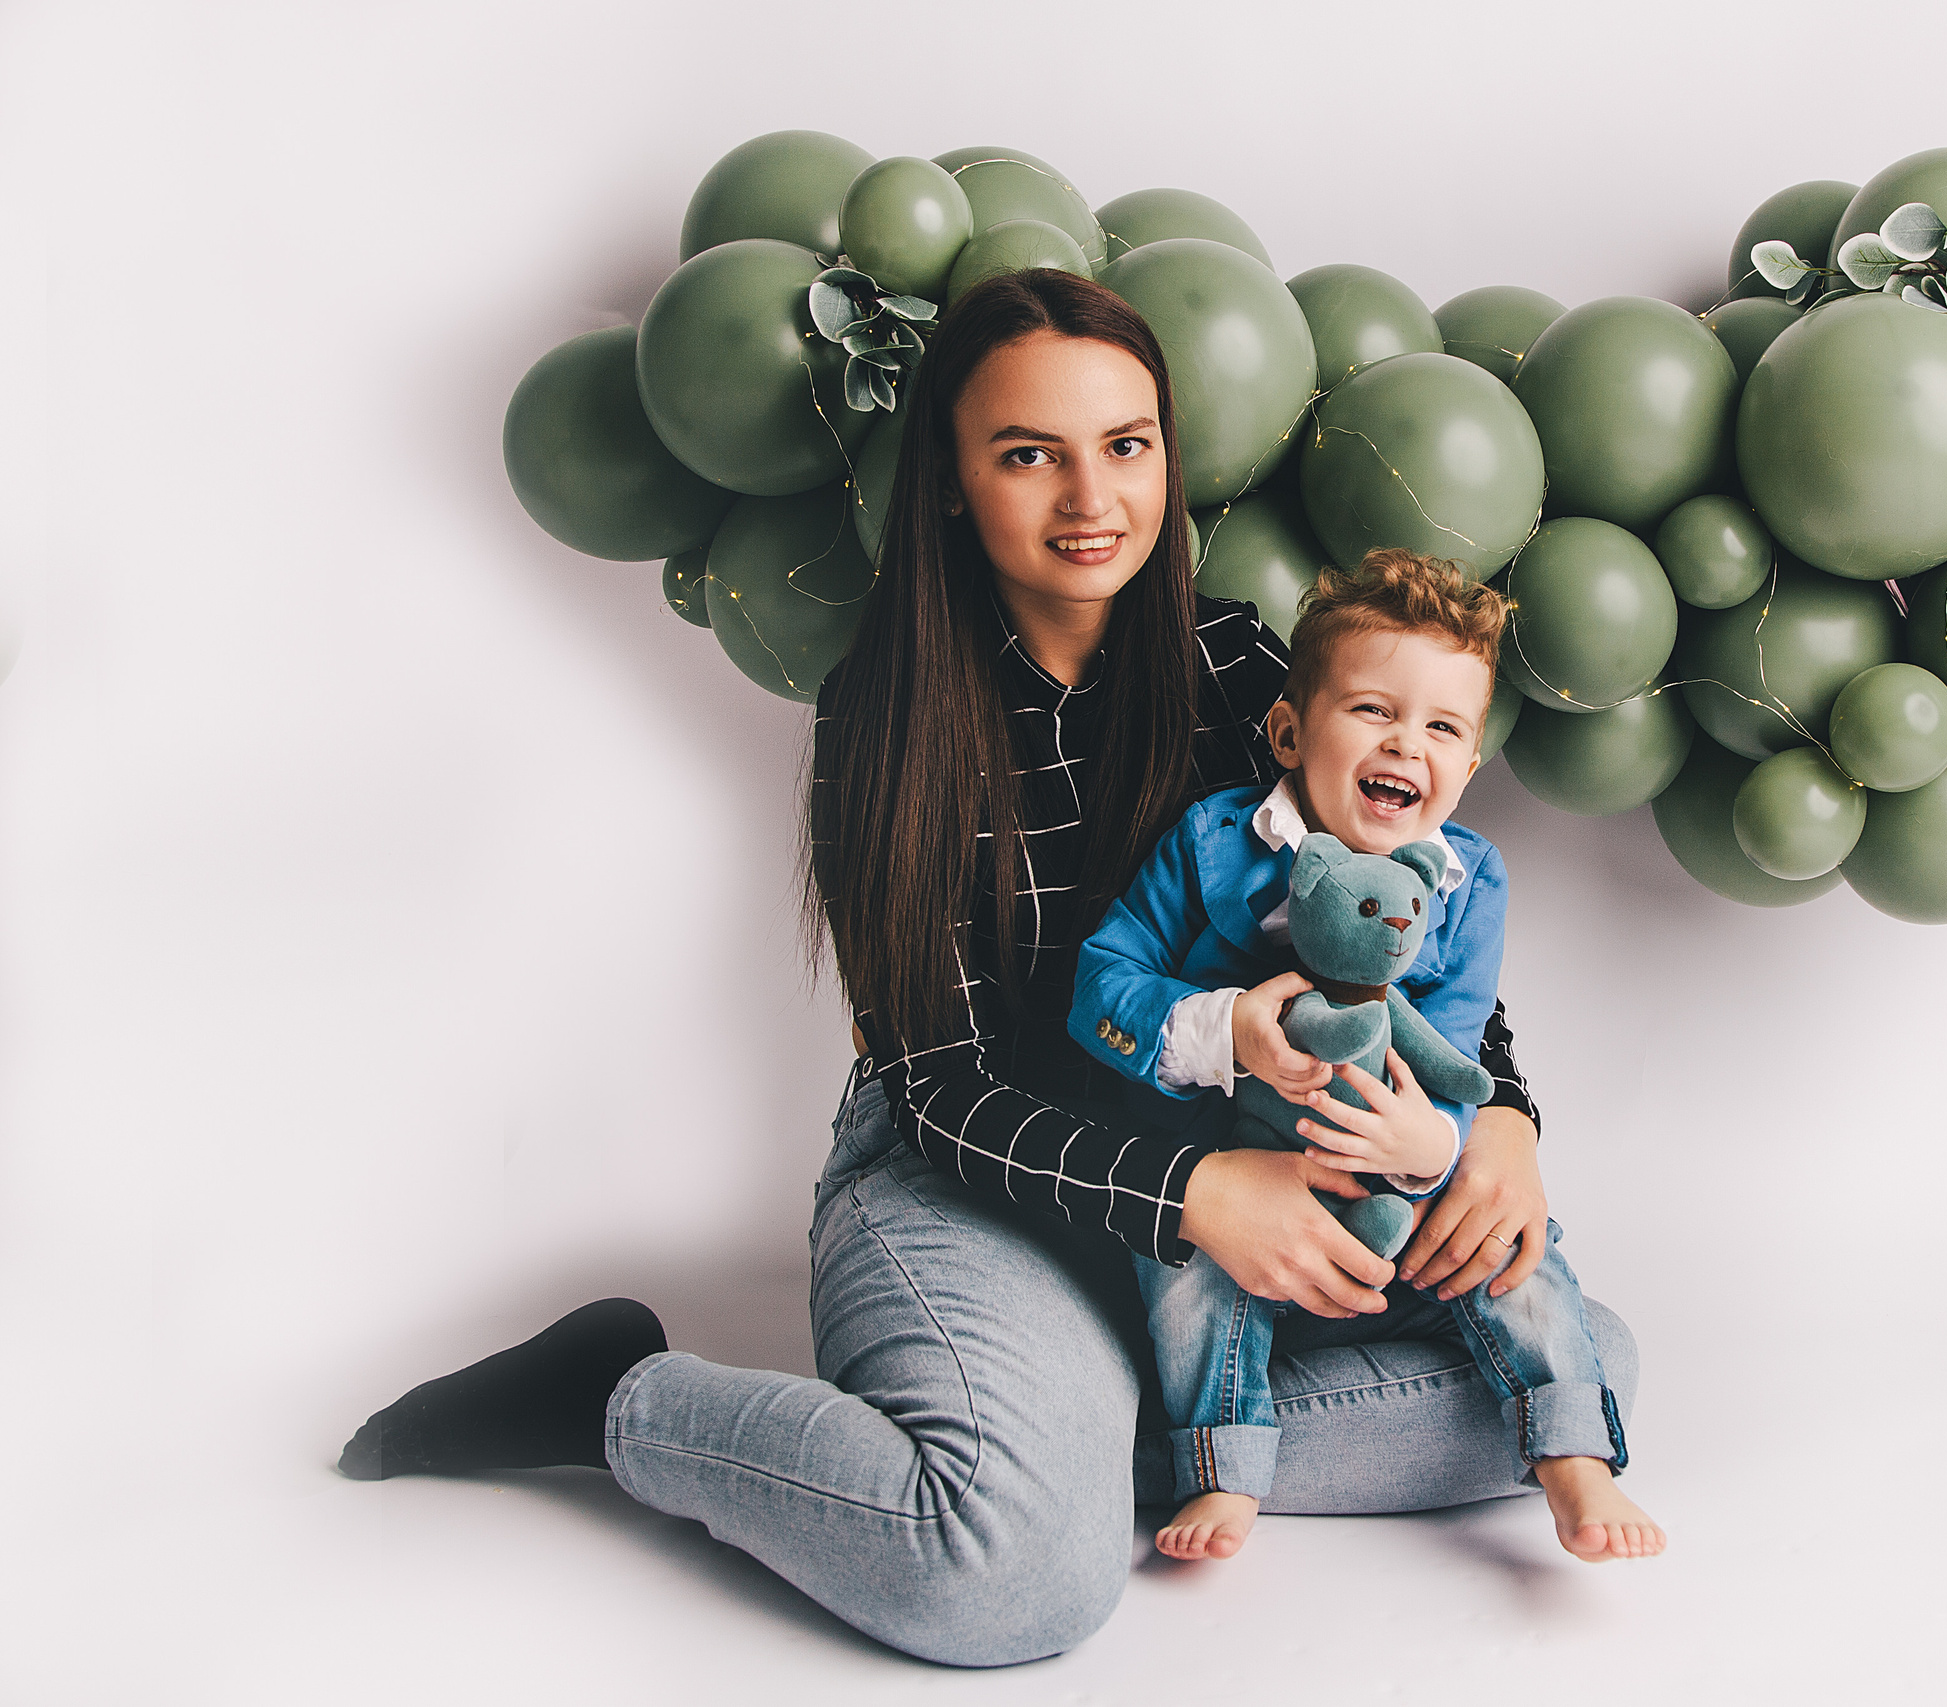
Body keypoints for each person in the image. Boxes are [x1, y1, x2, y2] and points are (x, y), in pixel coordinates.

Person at [334, 269, 1636, 1667]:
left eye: (1126, 446)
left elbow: (1395, 918)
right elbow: (945, 1083)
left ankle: (1088, 1436)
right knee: (1004, 1576)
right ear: (953, 480)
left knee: (1592, 1367)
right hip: (969, 1170)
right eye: (1031, 453)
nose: (1092, 498)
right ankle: (621, 1396)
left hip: (1219, 1166)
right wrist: (1195, 1193)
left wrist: (1498, 1116)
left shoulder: (1237, 666)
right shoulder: (884, 712)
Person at [1071, 550, 1667, 1565]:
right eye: (1373, 712)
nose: (1407, 743)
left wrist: (1430, 1143)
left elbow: (1461, 1039)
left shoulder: (1470, 883)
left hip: (1386, 1203)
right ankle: (1221, 1458)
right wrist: (1225, 1027)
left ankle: (1570, 1453)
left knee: (1524, 1260)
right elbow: (1100, 988)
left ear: (1469, 766)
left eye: (1442, 728)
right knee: (1180, 1274)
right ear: (1290, 731)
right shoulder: (1209, 843)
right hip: (1236, 1182)